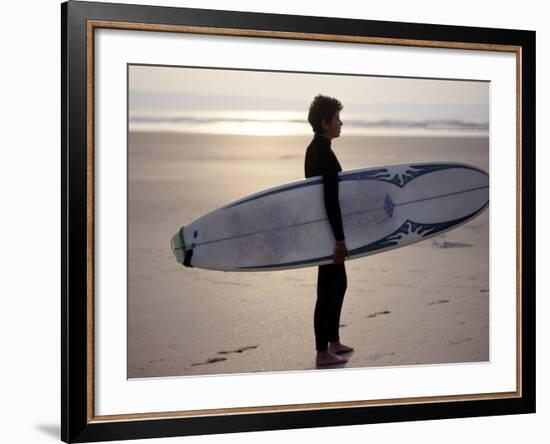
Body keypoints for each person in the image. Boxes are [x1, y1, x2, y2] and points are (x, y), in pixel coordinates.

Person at [304, 94, 354, 367]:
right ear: (324, 123)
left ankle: (333, 341)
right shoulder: (322, 154)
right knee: (327, 290)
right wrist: (339, 239)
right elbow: (329, 200)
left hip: (325, 228)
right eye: (336, 119)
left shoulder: (318, 148)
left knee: (339, 283)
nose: (340, 123)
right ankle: (321, 351)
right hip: (327, 232)